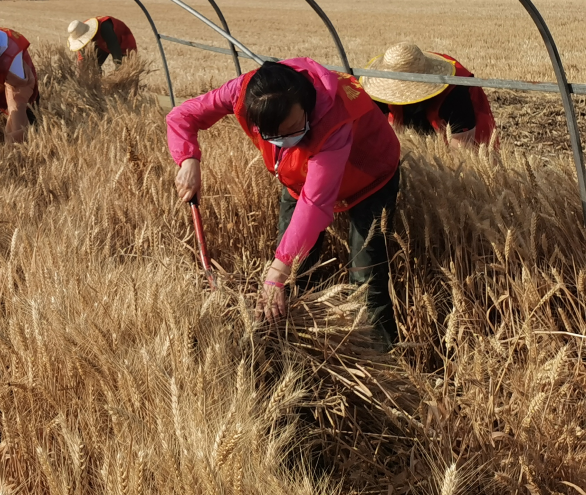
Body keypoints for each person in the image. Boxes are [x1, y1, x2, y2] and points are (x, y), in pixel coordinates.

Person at [167, 59, 402, 349]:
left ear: (308, 107)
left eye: (294, 129)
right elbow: (181, 116)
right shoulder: (245, 93)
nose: (286, 141)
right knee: (294, 270)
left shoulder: (334, 120)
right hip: (298, 179)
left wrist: (276, 273)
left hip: (369, 175)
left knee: (366, 278)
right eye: (274, 135)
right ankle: (296, 344)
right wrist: (188, 160)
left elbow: (315, 203)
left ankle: (381, 356)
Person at [361, 42, 496, 147]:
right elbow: (378, 136)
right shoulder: (378, 90)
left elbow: (461, 152)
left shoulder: (456, 95)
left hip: (458, 121)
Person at [67, 16, 137, 69]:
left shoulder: (104, 27)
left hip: (122, 40)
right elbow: (81, 59)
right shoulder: (78, 31)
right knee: (92, 66)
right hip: (100, 42)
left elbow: (115, 51)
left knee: (126, 68)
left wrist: (118, 73)